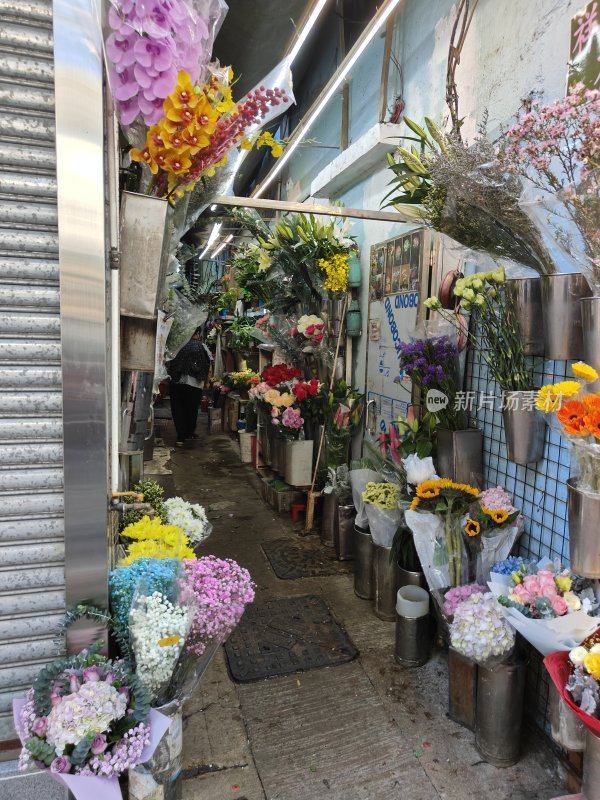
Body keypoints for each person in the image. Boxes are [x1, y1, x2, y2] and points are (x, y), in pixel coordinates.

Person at [167, 328, 211, 446]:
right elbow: (207, 363)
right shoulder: (201, 346)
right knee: (191, 409)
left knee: (178, 409)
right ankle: (190, 432)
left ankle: (181, 436)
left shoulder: (177, 345)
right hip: (194, 383)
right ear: (196, 333)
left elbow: (169, 361)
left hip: (176, 382)